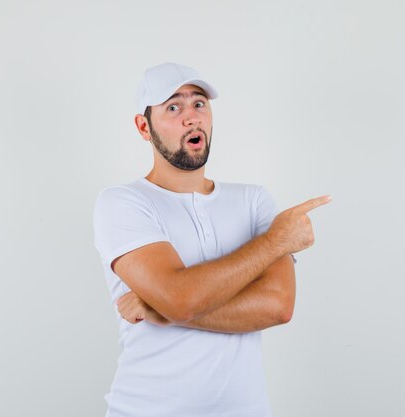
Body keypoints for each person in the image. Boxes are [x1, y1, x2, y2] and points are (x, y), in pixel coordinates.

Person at [93, 62, 331, 417]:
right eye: (173, 107)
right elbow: (181, 299)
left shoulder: (254, 200)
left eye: (199, 104)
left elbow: (278, 306)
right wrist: (275, 242)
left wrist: (161, 309)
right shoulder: (122, 202)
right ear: (144, 127)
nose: (192, 117)